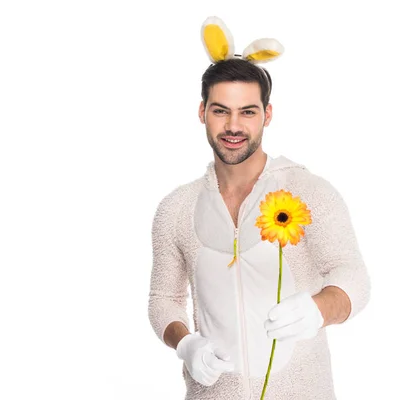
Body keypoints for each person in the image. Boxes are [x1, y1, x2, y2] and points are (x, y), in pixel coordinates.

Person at [148, 17, 371, 400]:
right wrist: (186, 344)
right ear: (202, 112)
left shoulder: (308, 191)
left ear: (267, 115)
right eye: (221, 111)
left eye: (248, 112)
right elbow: (163, 300)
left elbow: (354, 277)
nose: (233, 126)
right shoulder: (176, 209)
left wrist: (319, 308)